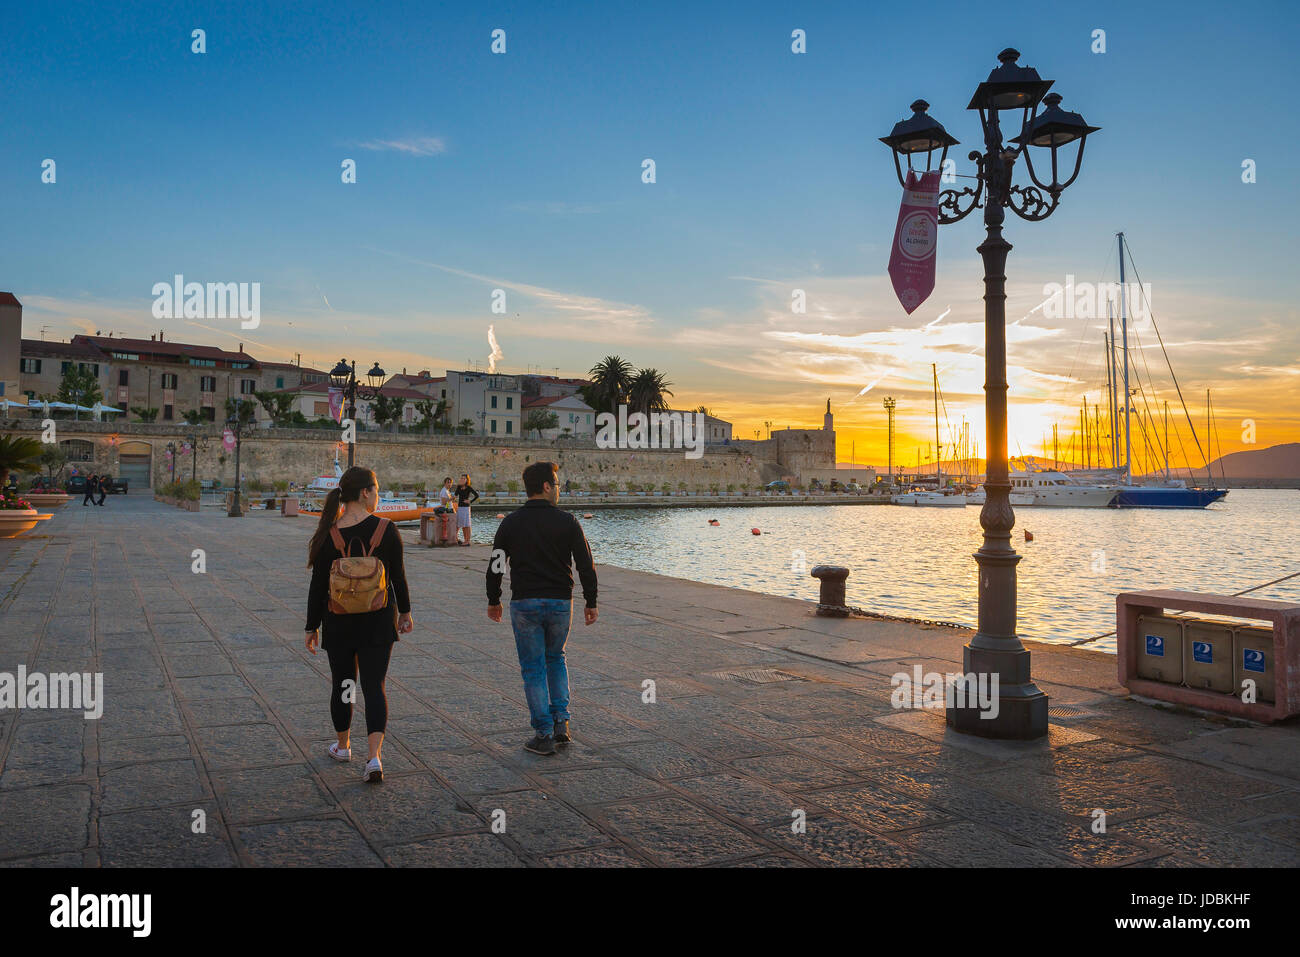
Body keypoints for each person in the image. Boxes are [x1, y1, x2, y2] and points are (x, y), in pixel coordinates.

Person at [305, 466, 414, 783]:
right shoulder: (386, 529)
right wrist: (405, 613)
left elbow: (318, 587)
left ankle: (342, 747)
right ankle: (374, 758)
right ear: (365, 492)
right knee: (374, 686)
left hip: (338, 621)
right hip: (379, 619)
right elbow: (398, 578)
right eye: (377, 490)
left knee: (343, 684)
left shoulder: (329, 532)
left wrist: (312, 627)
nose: (378, 496)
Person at [486, 461, 598, 755]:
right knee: (556, 657)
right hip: (561, 602)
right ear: (546, 487)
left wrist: (493, 598)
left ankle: (544, 734)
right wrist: (591, 601)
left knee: (533, 667)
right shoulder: (568, 522)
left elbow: (497, 564)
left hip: (525, 603)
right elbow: (586, 565)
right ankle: (561, 721)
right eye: (557, 484)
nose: (559, 489)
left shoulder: (510, 522)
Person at [454, 473, 479, 545]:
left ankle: (467, 541)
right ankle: (464, 540)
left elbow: (477, 495)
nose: (462, 479)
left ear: (467, 480)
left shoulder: (469, 487)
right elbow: (455, 495)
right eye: (461, 478)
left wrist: (470, 501)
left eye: (464, 478)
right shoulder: (458, 487)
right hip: (460, 507)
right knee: (461, 524)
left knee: (467, 525)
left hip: (466, 508)